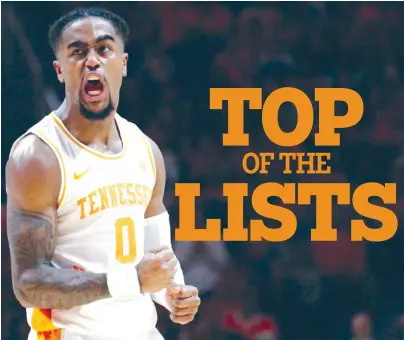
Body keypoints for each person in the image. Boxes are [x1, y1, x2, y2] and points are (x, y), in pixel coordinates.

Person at [5, 7, 200, 340]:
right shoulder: (37, 157)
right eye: (78, 52)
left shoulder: (147, 151)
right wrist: (130, 280)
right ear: (60, 70)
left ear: (122, 64)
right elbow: (29, 284)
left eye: (104, 48)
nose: (91, 60)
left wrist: (173, 294)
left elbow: (157, 258)